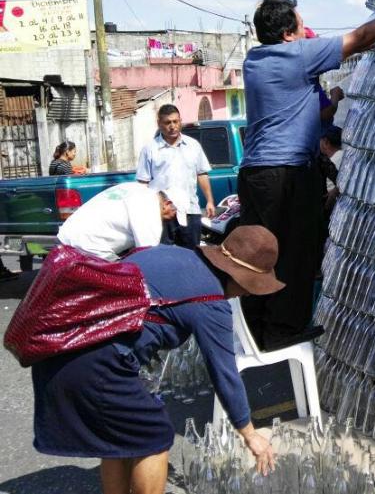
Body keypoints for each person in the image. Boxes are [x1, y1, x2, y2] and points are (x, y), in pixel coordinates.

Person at [240, 0, 375, 351]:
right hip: (287, 173)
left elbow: (307, 111)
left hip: (257, 174)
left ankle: (255, 328)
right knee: (296, 251)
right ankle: (283, 329)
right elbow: (361, 36)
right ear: (288, 34)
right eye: (301, 24)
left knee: (260, 252)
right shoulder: (295, 56)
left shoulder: (256, 60)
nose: (307, 29)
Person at [31, 225, 280, 494]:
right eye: (248, 287)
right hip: (97, 363)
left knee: (123, 434)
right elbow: (224, 373)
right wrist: (249, 433)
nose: (243, 294)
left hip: (63, 346)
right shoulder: (210, 300)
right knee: (154, 435)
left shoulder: (172, 255)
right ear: (238, 276)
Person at [136, 104, 216, 250]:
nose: (172, 126)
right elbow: (143, 183)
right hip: (163, 214)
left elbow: (202, 174)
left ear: (180, 121)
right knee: (162, 257)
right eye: (167, 123)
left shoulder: (193, 145)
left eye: (175, 121)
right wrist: (146, 211)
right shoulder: (150, 149)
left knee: (192, 257)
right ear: (159, 124)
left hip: (190, 211)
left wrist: (210, 201)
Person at [57, 182, 191, 261]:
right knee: (120, 281)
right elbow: (148, 257)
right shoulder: (149, 212)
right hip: (87, 243)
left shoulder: (137, 188)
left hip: (70, 232)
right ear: (167, 204)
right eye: (174, 214)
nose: (172, 219)